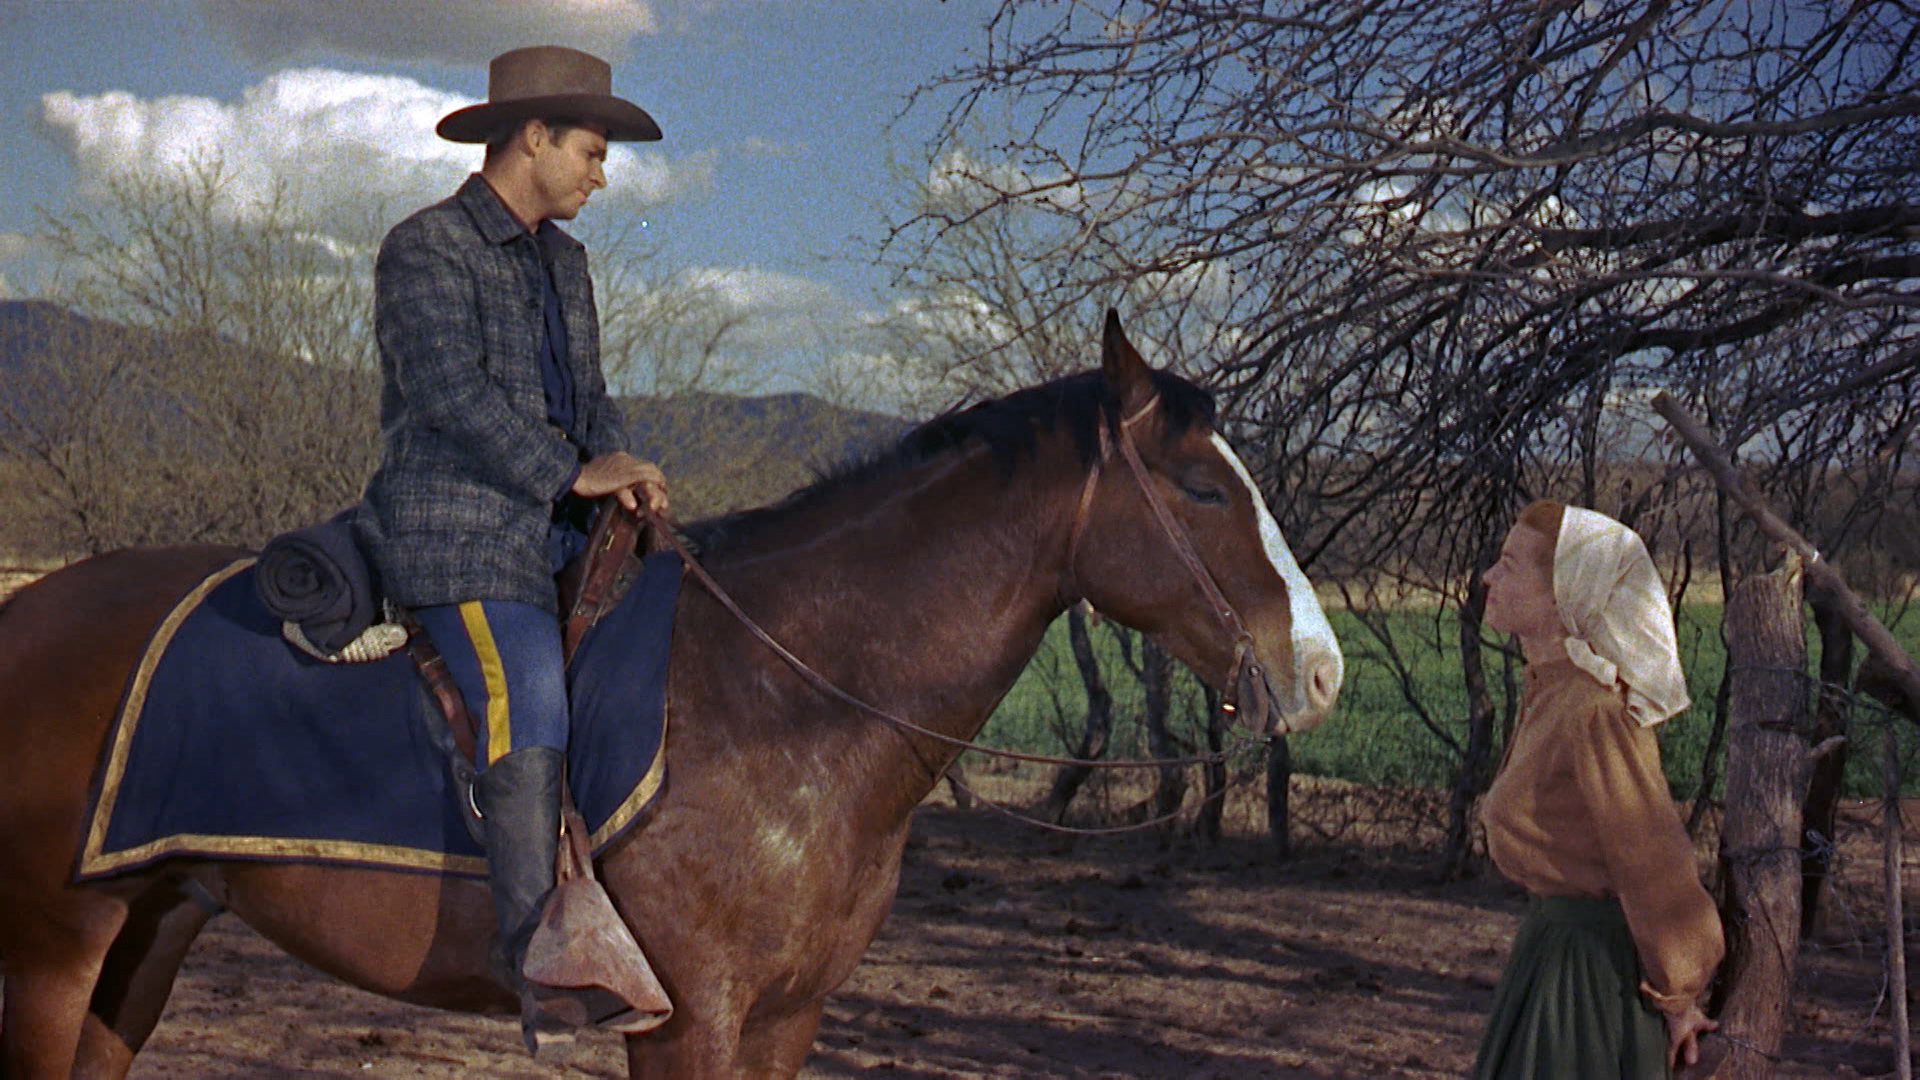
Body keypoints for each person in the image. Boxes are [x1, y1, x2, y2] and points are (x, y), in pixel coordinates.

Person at [353, 45, 669, 1030]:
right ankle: (537, 952)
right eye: (590, 148)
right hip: (460, 531)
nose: (600, 170)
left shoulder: (564, 264)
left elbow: (591, 398)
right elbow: (451, 398)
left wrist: (624, 476)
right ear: (531, 137)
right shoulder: (426, 248)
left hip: (559, 532)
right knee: (527, 689)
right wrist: (571, 474)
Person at [1472, 501, 1725, 1079]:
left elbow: (1652, 861)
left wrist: (1678, 995)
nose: (1488, 576)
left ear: (1565, 594)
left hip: (1588, 989)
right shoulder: (1551, 694)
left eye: (1509, 565)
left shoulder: (1594, 713)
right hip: (1549, 961)